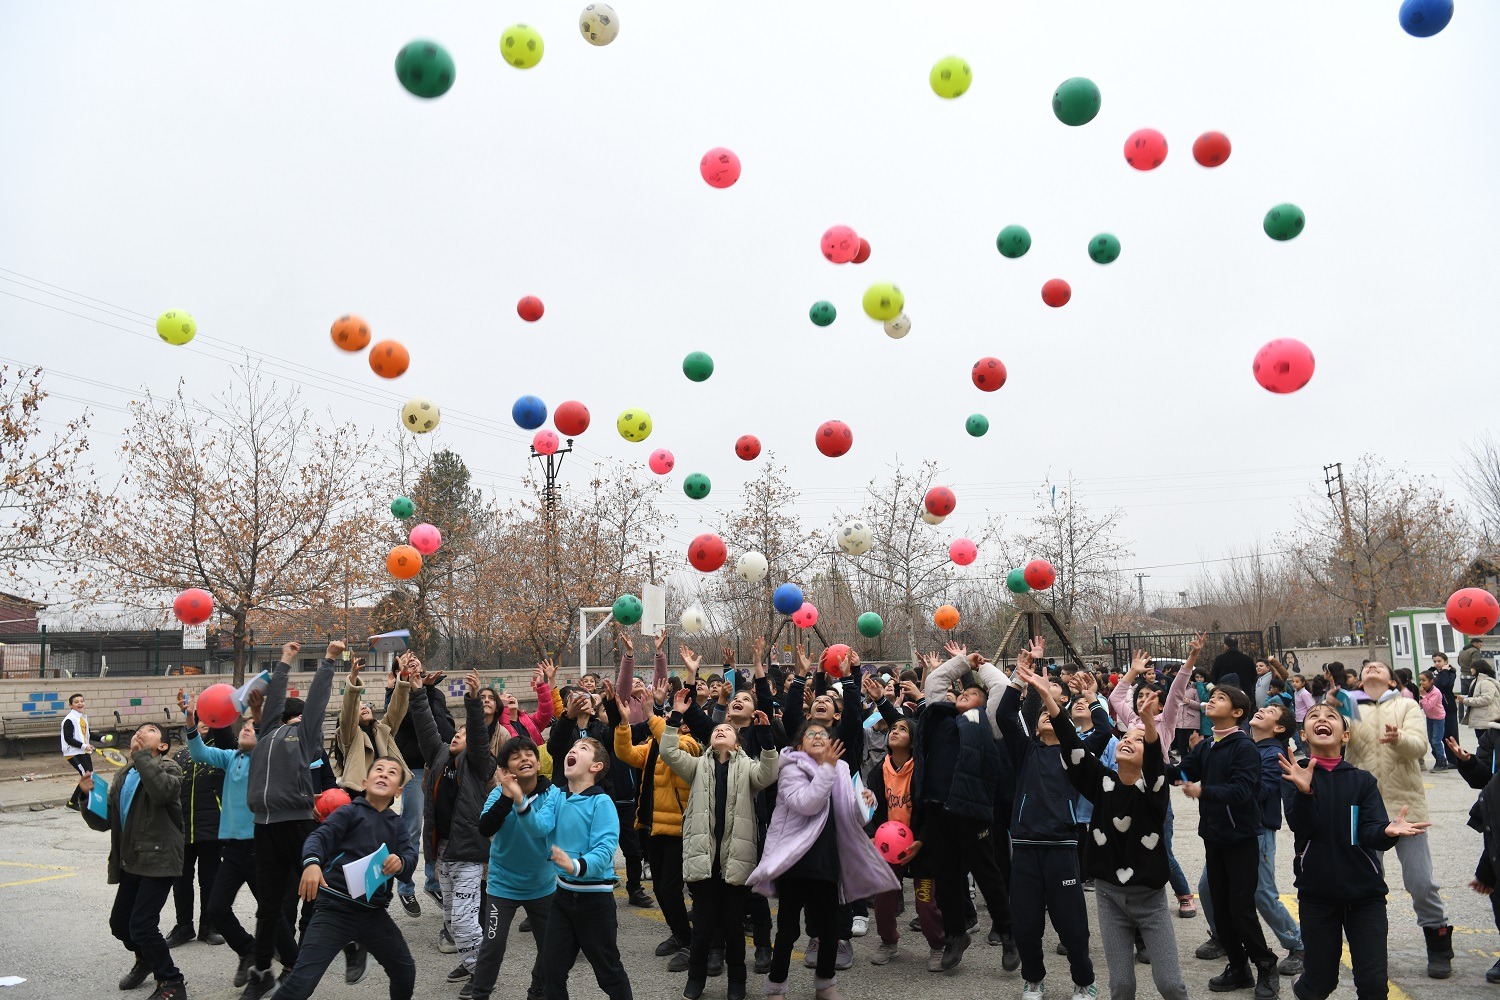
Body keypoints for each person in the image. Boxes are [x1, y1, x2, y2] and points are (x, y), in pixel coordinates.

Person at [1041, 674, 1189, 1000]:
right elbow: (1074, 749)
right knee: (1121, 986)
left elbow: (1154, 767)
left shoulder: (1153, 790)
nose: (1127, 740)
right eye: (1126, 736)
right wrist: (1050, 701)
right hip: (1109, 898)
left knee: (1169, 984)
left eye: (1138, 741)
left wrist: (1149, 726)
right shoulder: (1103, 783)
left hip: (1150, 902)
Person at [1279, 705, 1430, 999]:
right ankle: (1304, 986)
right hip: (1317, 894)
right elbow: (1302, 826)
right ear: (1303, 734)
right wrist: (1305, 792)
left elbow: (1369, 832)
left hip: (1365, 896)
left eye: (1331, 716)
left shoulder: (1362, 780)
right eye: (1314, 717)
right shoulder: (1293, 774)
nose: (1322, 719)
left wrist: (1387, 831)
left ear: (1345, 735)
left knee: (1373, 986)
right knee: (1320, 984)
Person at [750, 719, 898, 1000]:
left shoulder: (841, 769)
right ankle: (776, 987)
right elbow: (807, 803)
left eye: (823, 734)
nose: (818, 737)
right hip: (795, 861)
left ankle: (825, 985)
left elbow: (849, 814)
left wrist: (865, 801)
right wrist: (828, 769)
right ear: (799, 744)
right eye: (811, 734)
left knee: (830, 930)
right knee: (788, 930)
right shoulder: (791, 768)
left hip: (829, 860)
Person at [997, 639, 1106, 1000]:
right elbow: (1004, 717)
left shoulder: (1077, 754)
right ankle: (1033, 979)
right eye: (1044, 713)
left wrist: (1092, 698)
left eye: (1053, 712)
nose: (1048, 715)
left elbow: (1103, 732)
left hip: (1061, 848)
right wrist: (1019, 675)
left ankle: (1084, 981)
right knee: (1026, 925)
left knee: (1072, 926)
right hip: (1026, 848)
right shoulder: (1026, 751)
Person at [1334, 659, 1454, 978]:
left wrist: (1398, 737)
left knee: (1420, 881)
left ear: (1390, 681)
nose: (1372, 668)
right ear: (1360, 680)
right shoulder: (1352, 705)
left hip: (1406, 806)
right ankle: (1372, 951)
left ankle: (1439, 942)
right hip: (1361, 809)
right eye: (1367, 667)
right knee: (1366, 884)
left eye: (1379, 667)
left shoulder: (1406, 704)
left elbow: (1420, 747)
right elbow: (1330, 742)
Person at [661, 687, 781, 1000]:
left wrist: (767, 739)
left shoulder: (748, 767)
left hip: (736, 861)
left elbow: (769, 774)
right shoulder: (698, 765)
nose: (721, 730)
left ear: (737, 741)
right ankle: (696, 977)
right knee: (701, 930)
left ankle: (737, 983)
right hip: (704, 860)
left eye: (726, 729)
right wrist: (675, 717)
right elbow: (669, 753)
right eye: (717, 729)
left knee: (733, 928)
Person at [272, 756, 417, 1000]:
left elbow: (410, 856)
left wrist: (401, 862)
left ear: (399, 790)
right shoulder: (349, 812)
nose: (383, 774)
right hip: (334, 910)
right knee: (301, 983)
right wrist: (312, 864)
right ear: (364, 781)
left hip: (373, 914)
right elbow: (318, 839)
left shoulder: (397, 825)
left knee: (405, 971)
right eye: (378, 769)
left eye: (392, 773)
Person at [241, 640, 338, 1000]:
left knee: (321, 891)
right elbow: (276, 696)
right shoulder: (267, 732)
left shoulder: (306, 735)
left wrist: (328, 661)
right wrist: (283, 660)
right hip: (263, 827)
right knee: (268, 908)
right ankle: (262, 972)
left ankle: (347, 940)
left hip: (296, 824)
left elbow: (316, 701)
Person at [188, 694, 298, 989]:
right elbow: (200, 753)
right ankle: (247, 949)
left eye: (252, 728)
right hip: (233, 849)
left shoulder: (266, 760)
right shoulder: (230, 757)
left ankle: (292, 963)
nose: (246, 729)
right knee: (216, 909)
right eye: (244, 727)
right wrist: (189, 723)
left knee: (270, 912)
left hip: (261, 847)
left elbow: (268, 735)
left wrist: (259, 714)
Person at [916, 643, 1013, 971]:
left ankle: (1008, 933)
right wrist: (961, 662)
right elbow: (935, 684)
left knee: (988, 873)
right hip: (937, 809)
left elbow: (1000, 686)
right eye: (962, 693)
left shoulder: (987, 722)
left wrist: (980, 666)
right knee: (945, 876)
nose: (963, 695)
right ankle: (956, 935)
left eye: (972, 695)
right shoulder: (939, 716)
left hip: (971, 812)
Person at [1178, 684, 1280, 998]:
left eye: (1220, 698)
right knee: (1221, 911)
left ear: (1237, 712)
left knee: (1241, 910)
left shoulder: (1243, 747)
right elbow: (1182, 772)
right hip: (1214, 837)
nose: (1211, 701)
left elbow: (1242, 792)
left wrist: (1203, 791)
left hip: (1241, 839)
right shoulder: (1207, 745)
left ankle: (1266, 965)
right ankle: (1239, 968)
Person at [83, 722, 187, 1000]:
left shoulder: (170, 768)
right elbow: (105, 822)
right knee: (120, 924)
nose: (141, 732)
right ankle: (145, 959)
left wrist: (141, 757)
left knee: (142, 924)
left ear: (162, 746)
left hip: (160, 857)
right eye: (139, 730)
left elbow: (163, 792)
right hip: (131, 859)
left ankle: (171, 981)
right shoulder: (123, 776)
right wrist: (87, 796)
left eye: (150, 730)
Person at [527, 736, 634, 1000]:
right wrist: (519, 801)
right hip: (562, 898)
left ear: (596, 767)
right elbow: (538, 828)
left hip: (595, 901)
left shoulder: (602, 802)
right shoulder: (556, 795)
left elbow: (605, 850)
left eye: (582, 749)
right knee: (551, 971)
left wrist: (574, 864)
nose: (574, 749)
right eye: (572, 747)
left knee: (608, 973)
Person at [409, 664, 494, 986]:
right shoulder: (440, 755)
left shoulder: (479, 764)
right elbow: (424, 727)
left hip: (469, 852)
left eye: (463, 734)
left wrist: (473, 701)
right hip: (442, 849)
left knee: (462, 920)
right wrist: (417, 690)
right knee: (451, 917)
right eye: (455, 733)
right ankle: (472, 959)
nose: (457, 735)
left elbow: (478, 736)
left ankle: (480, 972)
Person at [611, 682, 700, 974]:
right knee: (662, 889)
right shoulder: (653, 745)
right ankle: (679, 933)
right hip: (651, 825)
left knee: (670, 888)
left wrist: (651, 713)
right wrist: (624, 723)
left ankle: (689, 942)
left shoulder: (690, 745)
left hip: (676, 828)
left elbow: (672, 748)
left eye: (679, 722)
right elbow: (626, 753)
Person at [470, 736, 560, 1000]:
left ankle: (537, 990)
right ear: (506, 768)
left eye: (529, 753)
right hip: (503, 885)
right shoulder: (498, 794)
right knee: (493, 946)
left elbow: (547, 827)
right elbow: (485, 827)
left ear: (538, 760)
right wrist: (508, 796)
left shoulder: (552, 794)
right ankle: (480, 994)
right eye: (516, 756)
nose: (524, 758)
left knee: (550, 947)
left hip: (542, 885)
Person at [864, 714, 946, 971]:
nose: (895, 731)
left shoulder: (923, 768)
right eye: (893, 728)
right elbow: (874, 810)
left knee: (924, 903)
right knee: (883, 900)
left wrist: (921, 840)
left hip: (921, 846)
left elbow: (933, 810)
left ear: (913, 741)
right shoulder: (880, 770)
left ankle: (937, 945)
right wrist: (873, 832)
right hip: (889, 847)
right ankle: (889, 942)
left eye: (903, 729)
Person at [388, 655, 452, 916]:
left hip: (437, 767)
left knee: (436, 829)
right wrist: (415, 688)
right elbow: (412, 721)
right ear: (398, 671)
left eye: (416, 659)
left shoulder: (435, 693)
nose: (412, 662)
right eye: (406, 661)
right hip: (414, 768)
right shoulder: (396, 694)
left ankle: (433, 882)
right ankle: (405, 888)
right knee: (412, 828)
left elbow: (445, 729)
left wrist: (427, 690)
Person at [167, 690, 229, 950]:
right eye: (198, 720)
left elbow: (226, 734)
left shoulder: (222, 751)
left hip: (212, 828)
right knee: (181, 881)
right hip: (182, 828)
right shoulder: (181, 756)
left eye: (208, 721)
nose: (203, 723)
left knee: (210, 879)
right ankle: (184, 926)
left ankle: (209, 926)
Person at [1457, 657, 1500, 769]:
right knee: (1483, 745)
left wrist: (1466, 700)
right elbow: (1476, 697)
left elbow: (1486, 699)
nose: (1471, 670)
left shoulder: (1485, 682)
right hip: (1480, 719)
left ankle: (1489, 767)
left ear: (1478, 668)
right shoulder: (1476, 681)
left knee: (1486, 746)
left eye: (1473, 667)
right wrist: (1466, 698)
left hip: (1486, 720)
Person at [61, 692, 93, 812]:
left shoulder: (82, 718)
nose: (80, 703)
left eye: (81, 701)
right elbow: (68, 738)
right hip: (72, 752)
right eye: (76, 702)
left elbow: (89, 734)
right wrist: (84, 746)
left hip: (83, 751)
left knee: (89, 774)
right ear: (71, 705)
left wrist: (102, 738)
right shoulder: (69, 719)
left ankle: (76, 802)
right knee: (86, 776)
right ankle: (73, 803)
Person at [1419, 671, 1449, 771]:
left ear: (1431, 681)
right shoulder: (1425, 690)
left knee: (1436, 741)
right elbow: (1422, 706)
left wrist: (1422, 696)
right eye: (1420, 680)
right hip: (1430, 718)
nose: (1421, 683)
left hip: (1438, 719)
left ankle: (1442, 762)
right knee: (1431, 740)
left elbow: (1429, 706)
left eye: (1424, 680)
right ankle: (1438, 759)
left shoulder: (1435, 692)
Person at [1433, 652, 1460, 748]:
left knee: (1451, 736)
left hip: (1448, 707)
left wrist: (1444, 671)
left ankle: (1456, 760)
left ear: (1446, 661)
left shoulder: (1450, 673)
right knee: (1443, 737)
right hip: (1438, 708)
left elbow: (1445, 684)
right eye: (1435, 661)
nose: (1437, 663)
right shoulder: (1436, 673)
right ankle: (1449, 760)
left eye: (1439, 661)